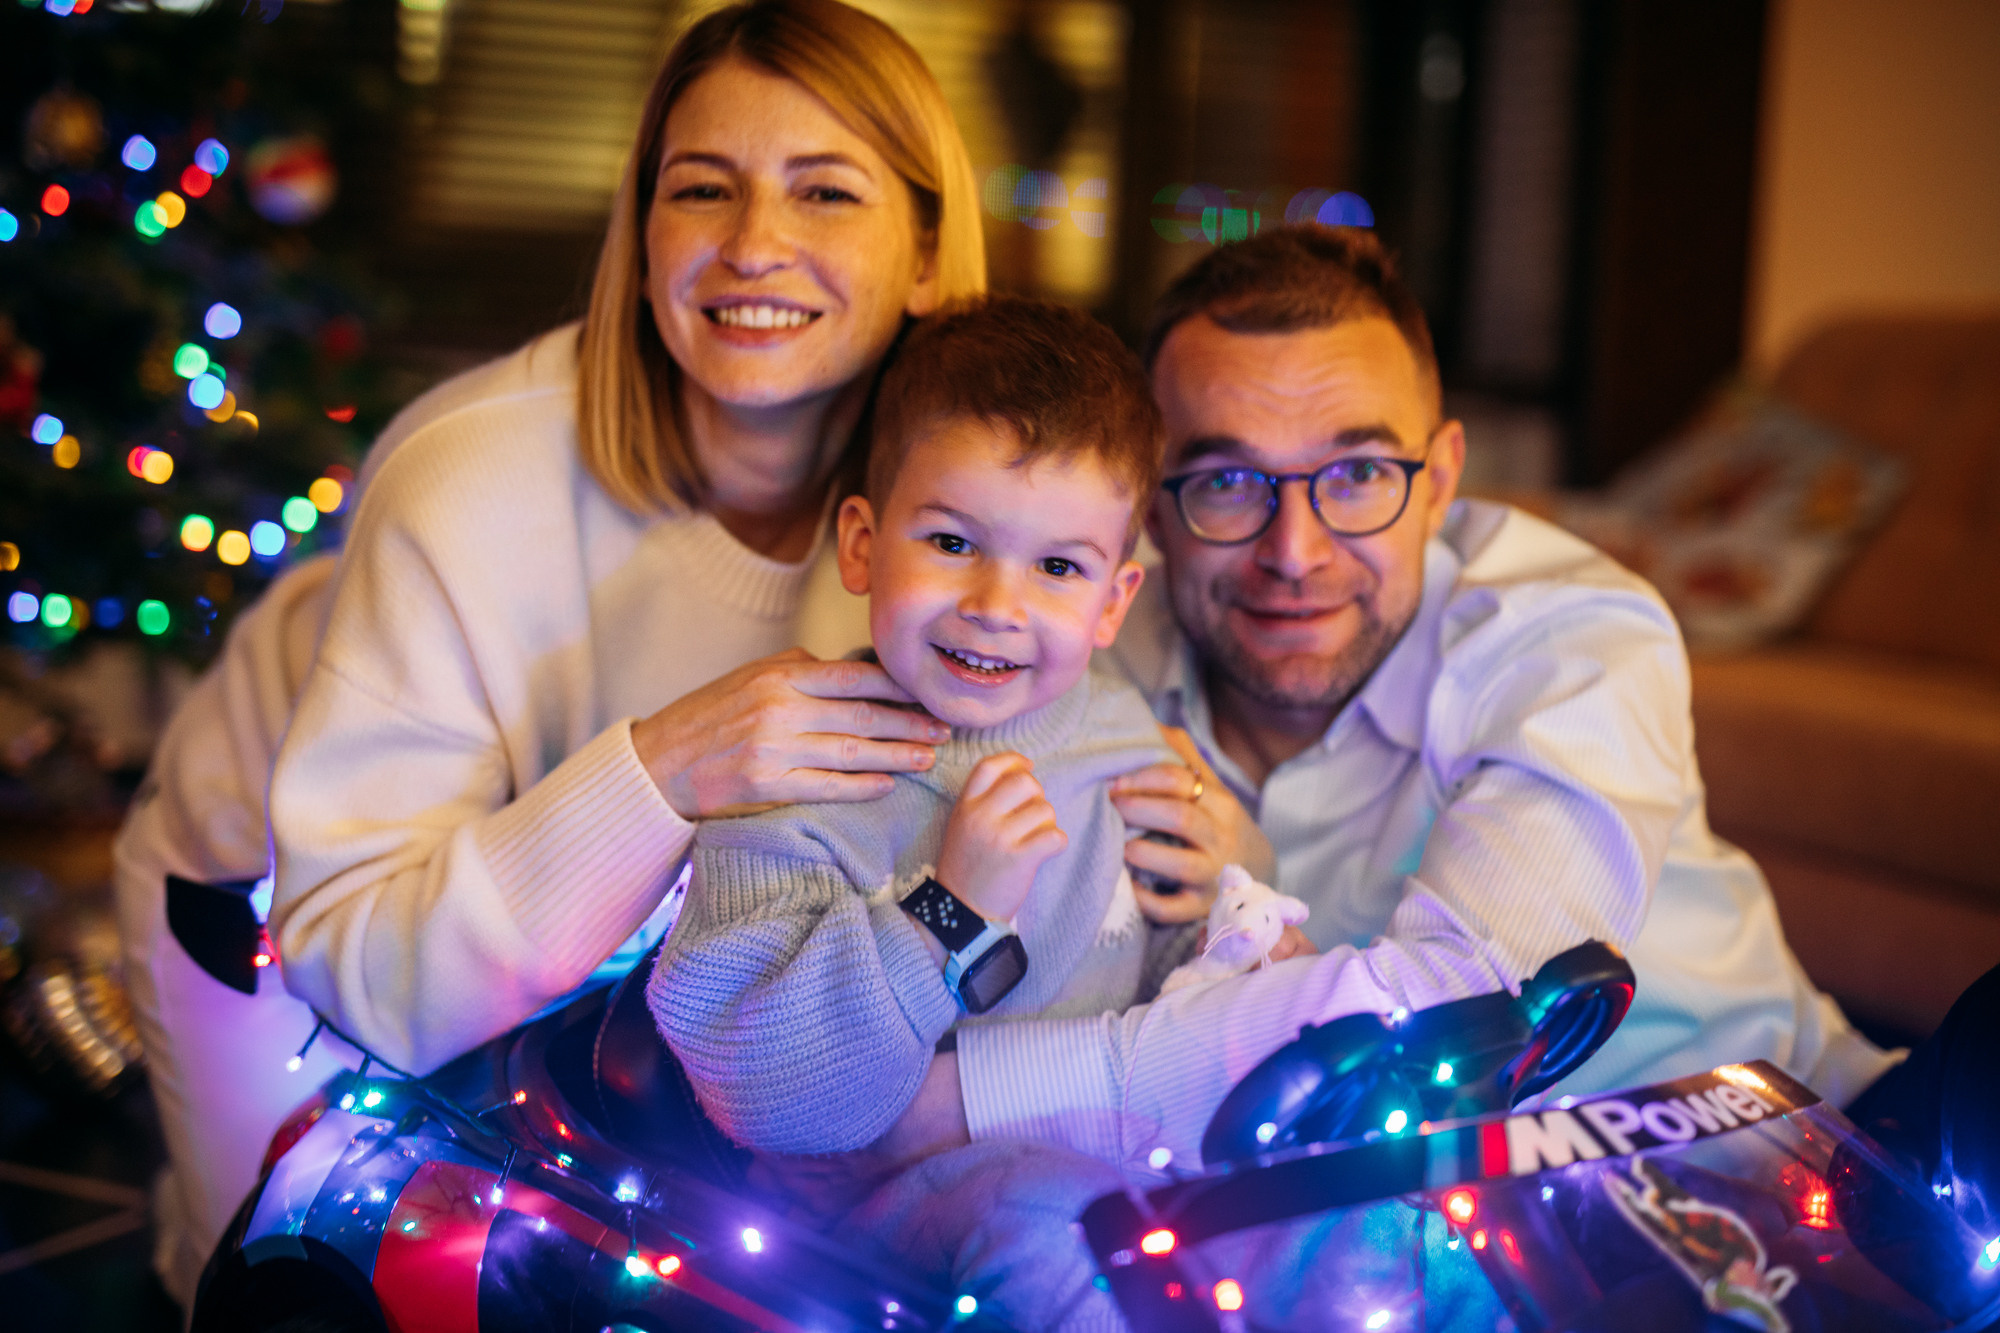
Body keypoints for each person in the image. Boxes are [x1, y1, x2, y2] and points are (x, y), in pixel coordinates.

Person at [117, 0, 984, 1304]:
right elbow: (370, 971)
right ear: (643, 241)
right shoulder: (472, 474)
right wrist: (661, 768)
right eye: (704, 190)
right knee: (284, 1265)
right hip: (279, 903)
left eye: (824, 192)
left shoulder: (981, 507)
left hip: (612, 977)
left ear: (924, 254)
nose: (755, 246)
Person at [871, 224, 1902, 1189]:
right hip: (1388, 1218)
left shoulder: (1567, 640)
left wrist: (964, 1099)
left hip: (1787, 1158)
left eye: (1359, 471)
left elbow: (1465, 1020)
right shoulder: (1085, 657)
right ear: (1148, 505)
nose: (1295, 552)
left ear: (1440, 477)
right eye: (1227, 480)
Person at [651, 296, 1196, 1155]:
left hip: (1135, 1156)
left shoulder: (1122, 734)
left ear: (1113, 601)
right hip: (895, 1215)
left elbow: (1168, 953)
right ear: (864, 544)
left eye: (1058, 566)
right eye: (951, 543)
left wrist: (1235, 928)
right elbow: (760, 1099)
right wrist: (949, 910)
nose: (995, 606)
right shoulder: (798, 769)